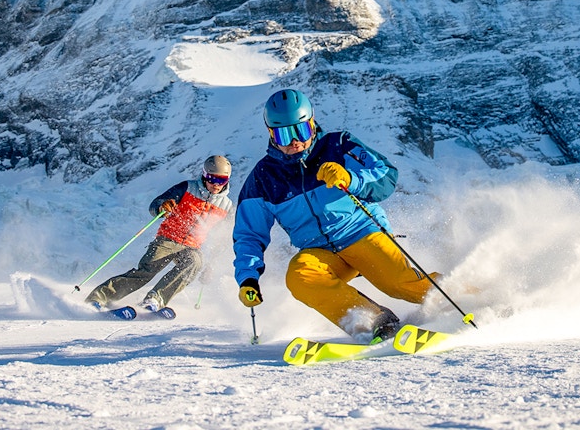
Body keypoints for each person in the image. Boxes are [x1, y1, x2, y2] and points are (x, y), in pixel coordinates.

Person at [232, 88, 435, 342]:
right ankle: (375, 321)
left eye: (301, 131)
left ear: (312, 123)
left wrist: (351, 179)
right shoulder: (263, 178)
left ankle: (467, 297)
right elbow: (249, 234)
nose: (295, 142)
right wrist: (248, 278)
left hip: (362, 233)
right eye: (284, 134)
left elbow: (386, 175)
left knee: (398, 283)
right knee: (300, 277)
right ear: (271, 134)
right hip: (320, 251)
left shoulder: (339, 146)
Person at [86, 155, 234, 317]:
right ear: (205, 175)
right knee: (145, 272)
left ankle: (155, 300)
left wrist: (212, 265)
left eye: (221, 180)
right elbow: (155, 204)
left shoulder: (226, 206)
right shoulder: (187, 188)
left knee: (194, 263)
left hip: (192, 246)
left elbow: (222, 238)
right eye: (212, 179)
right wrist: (162, 207)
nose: (216, 184)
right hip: (168, 239)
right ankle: (98, 298)